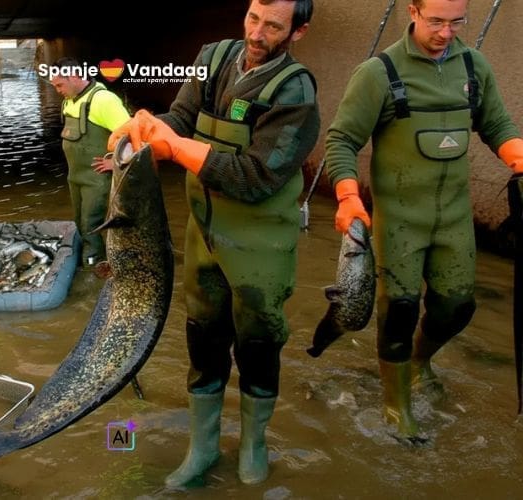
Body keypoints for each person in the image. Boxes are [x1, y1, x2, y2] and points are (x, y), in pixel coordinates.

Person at [109, 0, 318, 486]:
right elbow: (181, 116)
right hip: (203, 232)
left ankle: (253, 446)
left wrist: (174, 147)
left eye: (273, 26)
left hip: (261, 243)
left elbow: (257, 176)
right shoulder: (213, 56)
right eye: (252, 18)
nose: (257, 33)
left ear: (298, 32)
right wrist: (146, 129)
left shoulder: (296, 90)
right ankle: (202, 448)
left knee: (259, 342)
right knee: (203, 339)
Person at [325, 0, 523, 441]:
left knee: (457, 306)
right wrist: (347, 197)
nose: (446, 33)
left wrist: (517, 154)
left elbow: (496, 124)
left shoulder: (474, 68)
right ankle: (397, 406)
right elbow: (341, 140)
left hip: (453, 219)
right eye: (436, 21)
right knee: (398, 310)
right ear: (412, 11)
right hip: (400, 222)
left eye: (457, 22)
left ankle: (419, 362)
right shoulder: (378, 74)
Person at [50, 57, 131, 271]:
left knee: (90, 224)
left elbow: (132, 136)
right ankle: (89, 263)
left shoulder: (104, 100)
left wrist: (115, 162)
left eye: (60, 85)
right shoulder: (69, 100)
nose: (58, 90)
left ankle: (94, 271)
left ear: (75, 76)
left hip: (97, 180)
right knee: (79, 222)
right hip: (75, 177)